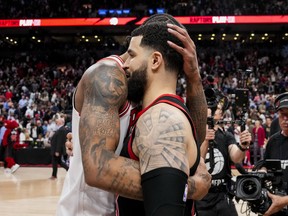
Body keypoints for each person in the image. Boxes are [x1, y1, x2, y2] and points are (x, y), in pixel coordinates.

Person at [57, 13, 210, 216]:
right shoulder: (109, 76)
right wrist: (186, 186)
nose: (127, 62)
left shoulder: (145, 92)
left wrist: (194, 77)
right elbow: (98, 167)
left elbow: (195, 140)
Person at [115, 21, 200, 216]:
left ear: (155, 61)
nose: (125, 64)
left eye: (132, 55)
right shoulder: (154, 112)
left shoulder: (163, 120)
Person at [195, 101, 252, 216]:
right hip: (201, 198)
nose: (214, 111)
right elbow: (197, 162)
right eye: (211, 108)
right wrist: (206, 140)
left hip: (222, 195)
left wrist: (242, 146)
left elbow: (236, 158)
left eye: (218, 109)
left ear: (221, 115)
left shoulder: (226, 136)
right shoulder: (195, 135)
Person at [261, 92, 288, 216]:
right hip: (275, 202)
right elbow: (265, 163)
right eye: (282, 115)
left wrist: (284, 201)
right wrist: (262, 170)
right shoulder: (273, 141)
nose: (285, 119)